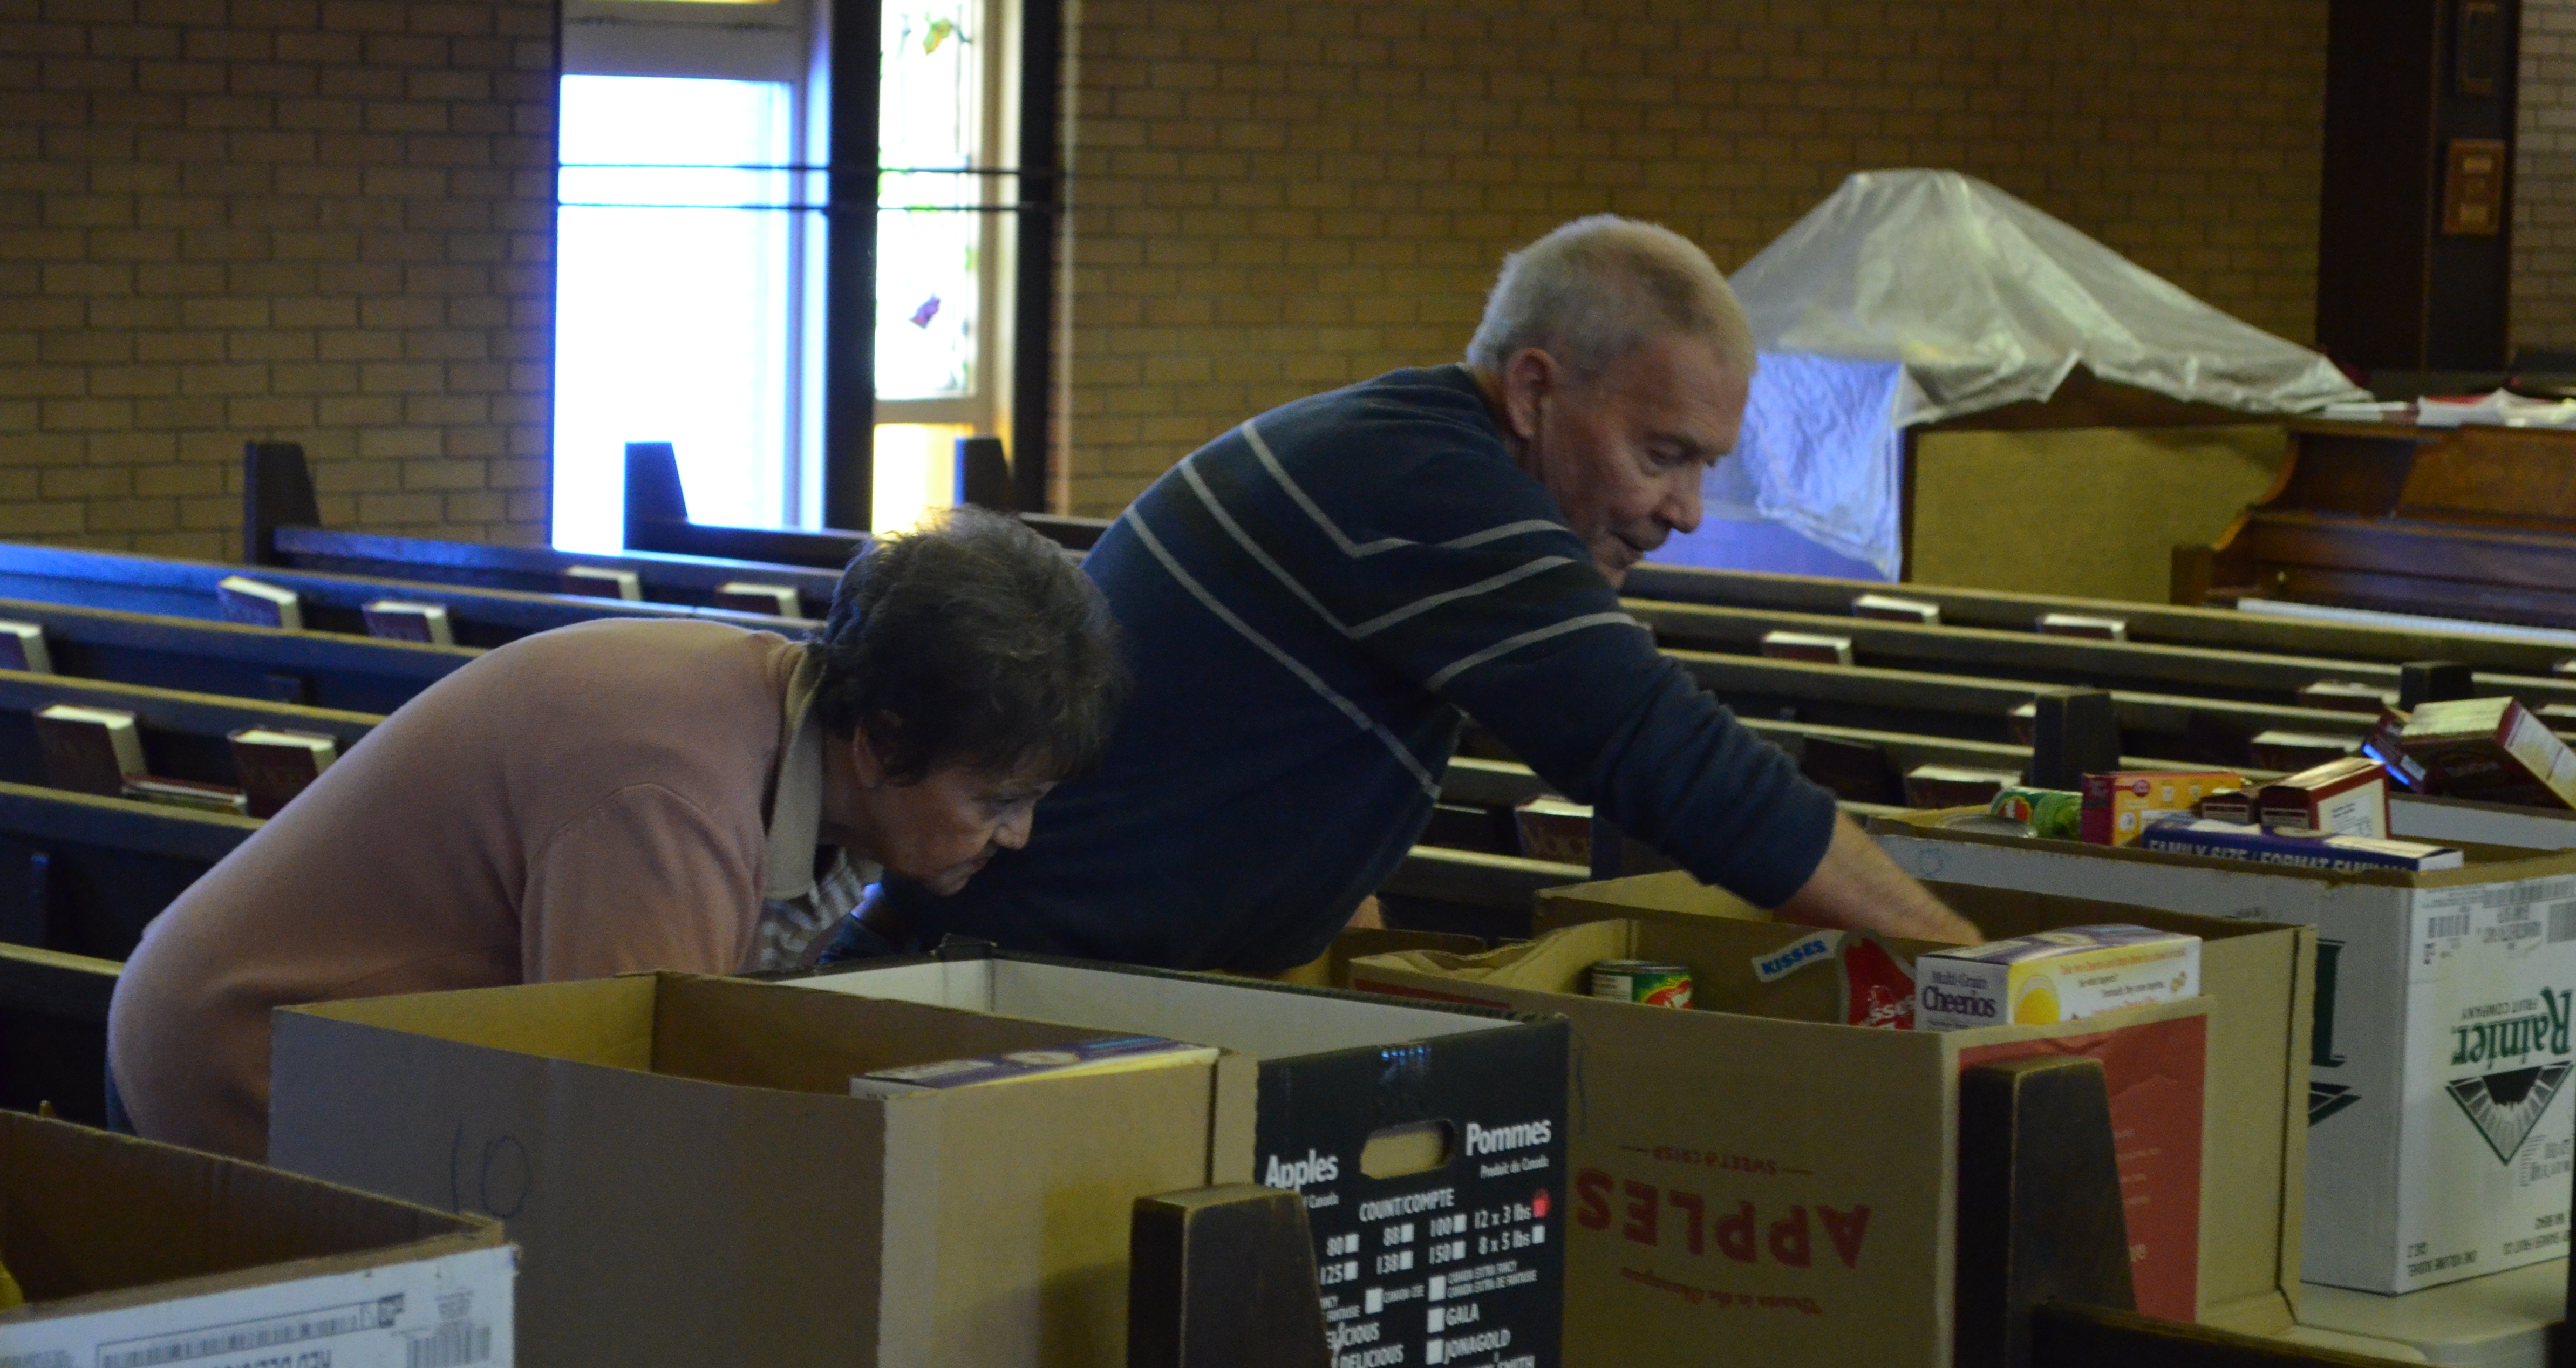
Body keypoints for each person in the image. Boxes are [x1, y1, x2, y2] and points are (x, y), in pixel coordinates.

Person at [843, 215, 1979, 971]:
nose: (1682, 511)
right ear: (1535, 388)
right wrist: (1971, 968)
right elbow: (1667, 758)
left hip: (1045, 974)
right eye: (1660, 453)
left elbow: (1295, 772)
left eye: (1702, 470)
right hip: (978, 992)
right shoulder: (1432, 488)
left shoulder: (1412, 453)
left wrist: (1366, 977)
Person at [107, 507, 1124, 1159]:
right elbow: (623, 1135)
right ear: (881, 741)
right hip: (249, 1060)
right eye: (996, 801)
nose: (1019, 836)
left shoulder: (805, 733)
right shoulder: (671, 802)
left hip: (376, 1061)